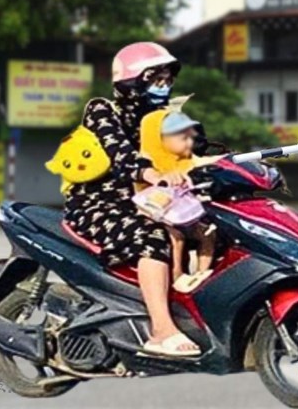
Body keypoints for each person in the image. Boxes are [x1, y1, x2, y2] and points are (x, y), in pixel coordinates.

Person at [62, 42, 201, 357]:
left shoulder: (162, 118)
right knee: (152, 237)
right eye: (156, 80)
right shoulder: (102, 109)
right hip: (97, 205)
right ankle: (161, 330)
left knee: (205, 224)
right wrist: (150, 172)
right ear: (133, 80)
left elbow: (191, 146)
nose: (163, 88)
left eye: (167, 81)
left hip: (146, 202)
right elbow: (120, 152)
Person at [136, 100, 222, 289]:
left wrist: (230, 161)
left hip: (183, 215)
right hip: (153, 216)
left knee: (208, 233)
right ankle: (177, 279)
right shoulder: (146, 161)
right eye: (180, 136)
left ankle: (202, 277)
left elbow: (212, 161)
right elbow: (142, 174)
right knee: (176, 237)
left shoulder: (186, 161)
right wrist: (160, 177)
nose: (188, 141)